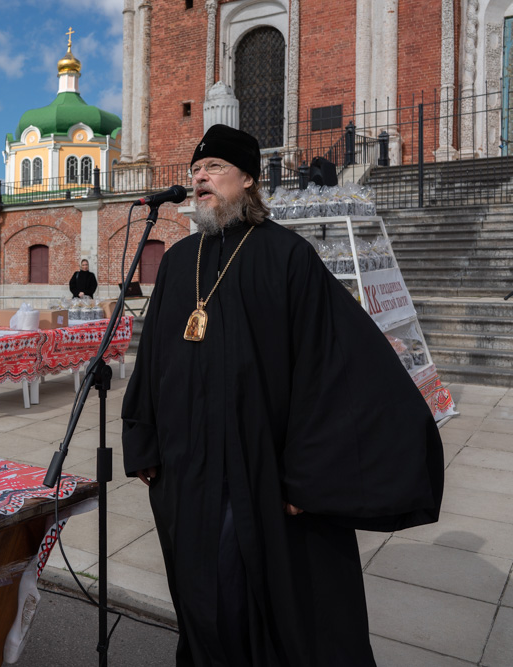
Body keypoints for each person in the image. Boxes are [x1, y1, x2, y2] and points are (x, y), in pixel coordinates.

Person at [121, 124, 444, 666]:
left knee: (257, 597)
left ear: (248, 179)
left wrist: (312, 475)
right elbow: (152, 360)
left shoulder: (287, 257)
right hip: (188, 468)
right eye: (196, 170)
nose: (199, 177)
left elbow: (336, 369)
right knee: (199, 592)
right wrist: (144, 439)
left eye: (215, 169)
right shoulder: (178, 263)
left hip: (259, 469)